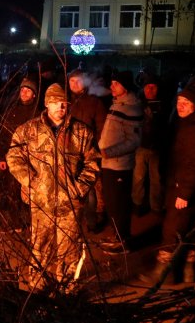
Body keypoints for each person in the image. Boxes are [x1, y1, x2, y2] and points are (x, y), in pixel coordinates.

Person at [5, 82, 100, 293]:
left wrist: (79, 188)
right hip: (41, 203)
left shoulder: (81, 132)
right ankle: (38, 293)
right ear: (47, 104)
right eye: (56, 103)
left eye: (64, 104)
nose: (61, 108)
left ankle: (66, 294)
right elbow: (13, 156)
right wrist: (31, 181)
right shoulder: (29, 130)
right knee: (40, 250)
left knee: (69, 251)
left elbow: (93, 162)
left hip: (70, 204)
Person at [146, 82, 195, 283]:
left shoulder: (194, 129)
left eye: (186, 102)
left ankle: (163, 275)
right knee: (188, 231)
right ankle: (189, 273)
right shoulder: (185, 124)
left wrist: (184, 193)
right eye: (179, 101)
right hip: (182, 188)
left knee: (172, 230)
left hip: (182, 190)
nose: (181, 105)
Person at [96, 70, 143, 253]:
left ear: (125, 86)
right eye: (111, 83)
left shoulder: (132, 107)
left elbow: (134, 141)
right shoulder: (117, 104)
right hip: (108, 164)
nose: (111, 86)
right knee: (111, 203)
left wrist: (108, 152)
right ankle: (117, 235)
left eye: (115, 83)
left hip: (120, 166)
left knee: (120, 204)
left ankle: (123, 241)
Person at [0, 76, 40, 229]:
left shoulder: (38, 113)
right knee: (12, 191)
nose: (24, 93)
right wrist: (1, 158)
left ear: (34, 94)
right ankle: (15, 223)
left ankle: (33, 224)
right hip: (13, 158)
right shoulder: (12, 110)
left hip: (32, 160)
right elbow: (4, 136)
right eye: (22, 89)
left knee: (30, 193)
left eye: (28, 90)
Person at [66, 69, 107, 233]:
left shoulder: (94, 102)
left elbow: (101, 127)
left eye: (78, 80)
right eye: (71, 81)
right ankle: (71, 222)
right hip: (69, 151)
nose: (74, 84)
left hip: (88, 151)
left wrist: (95, 149)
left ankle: (91, 221)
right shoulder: (67, 101)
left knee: (88, 188)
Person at [132, 72, 167, 216]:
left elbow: (167, 126)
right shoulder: (137, 104)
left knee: (156, 178)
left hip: (157, 147)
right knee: (138, 177)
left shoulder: (164, 105)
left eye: (153, 87)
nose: (150, 90)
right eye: (147, 87)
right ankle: (138, 204)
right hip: (140, 146)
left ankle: (156, 206)